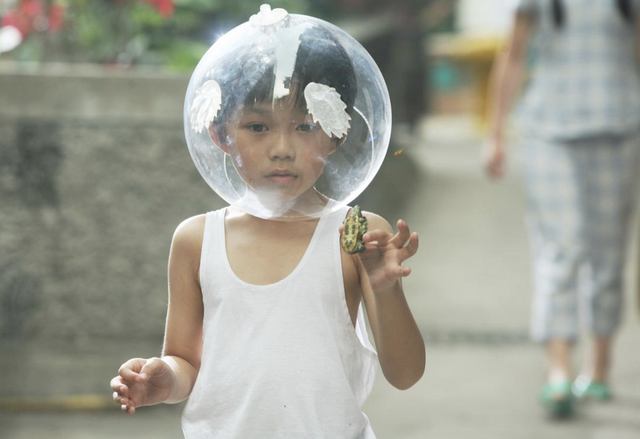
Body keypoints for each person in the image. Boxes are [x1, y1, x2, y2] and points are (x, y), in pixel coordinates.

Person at [110, 8, 425, 438]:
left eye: (305, 126)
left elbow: (405, 374)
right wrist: (164, 379)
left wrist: (386, 290)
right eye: (257, 126)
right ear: (221, 134)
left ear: (335, 133)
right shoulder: (197, 240)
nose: (282, 148)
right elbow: (185, 360)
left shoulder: (357, 237)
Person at [484, 0, 640, 417]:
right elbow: (513, 54)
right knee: (561, 247)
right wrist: (495, 133)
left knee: (609, 256)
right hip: (549, 132)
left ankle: (599, 368)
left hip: (620, 129)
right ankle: (558, 372)